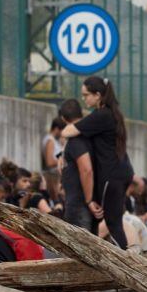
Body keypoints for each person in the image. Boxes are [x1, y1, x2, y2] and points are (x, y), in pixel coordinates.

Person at [61, 77, 132, 249]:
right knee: (115, 222)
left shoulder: (102, 115)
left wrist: (89, 200)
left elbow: (68, 130)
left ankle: (125, 265)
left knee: (113, 223)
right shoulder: (110, 114)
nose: (84, 99)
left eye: (86, 95)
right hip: (120, 173)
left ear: (98, 95)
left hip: (112, 176)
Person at [58, 99, 96, 232]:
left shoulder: (76, 140)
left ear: (63, 118)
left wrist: (89, 200)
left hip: (79, 204)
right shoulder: (88, 136)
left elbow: (86, 169)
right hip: (80, 201)